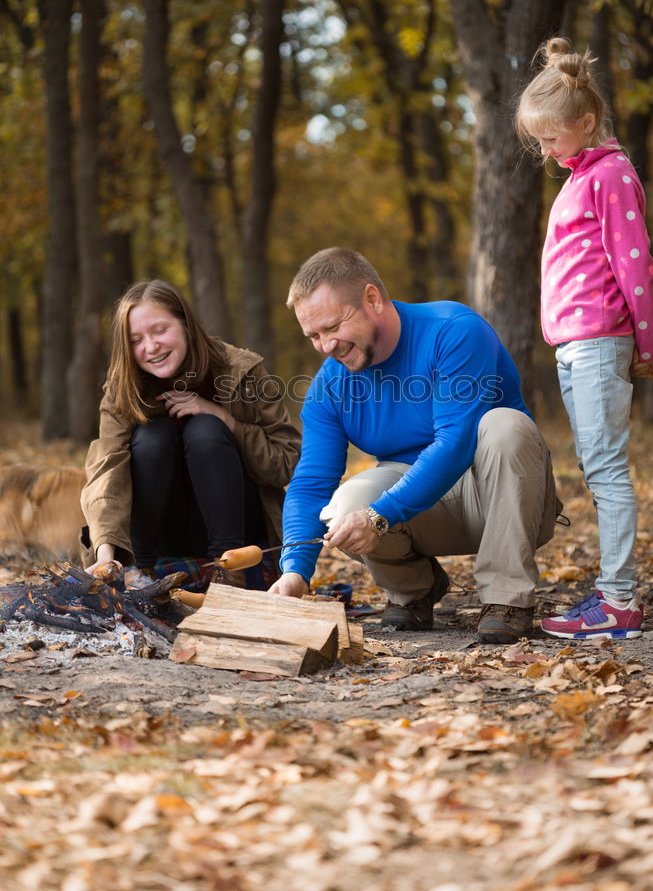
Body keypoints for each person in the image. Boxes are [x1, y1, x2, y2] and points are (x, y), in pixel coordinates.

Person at [268, 247, 561, 645]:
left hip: (496, 494)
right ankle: (414, 589)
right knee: (340, 506)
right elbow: (311, 483)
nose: (324, 346)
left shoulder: (453, 329)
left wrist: (379, 516)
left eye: (332, 327)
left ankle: (507, 599)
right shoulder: (329, 385)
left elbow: (456, 442)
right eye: (313, 335)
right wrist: (295, 571)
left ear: (372, 299)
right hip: (422, 509)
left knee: (505, 425)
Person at [515, 37, 653, 640]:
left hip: (602, 341)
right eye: (539, 140)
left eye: (552, 137)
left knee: (605, 469)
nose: (546, 150)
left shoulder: (613, 175)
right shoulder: (580, 178)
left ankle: (620, 601)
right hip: (575, 345)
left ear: (585, 122)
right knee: (596, 466)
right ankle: (612, 591)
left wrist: (648, 344)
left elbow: (637, 267)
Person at [81, 279, 301, 591]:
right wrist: (106, 553)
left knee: (205, 429)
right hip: (160, 535)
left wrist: (224, 418)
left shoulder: (242, 370)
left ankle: (230, 573)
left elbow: (285, 463)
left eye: (160, 330)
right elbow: (107, 471)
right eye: (135, 340)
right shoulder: (122, 390)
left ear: (185, 324)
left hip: (239, 529)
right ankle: (140, 572)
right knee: (153, 435)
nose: (151, 346)